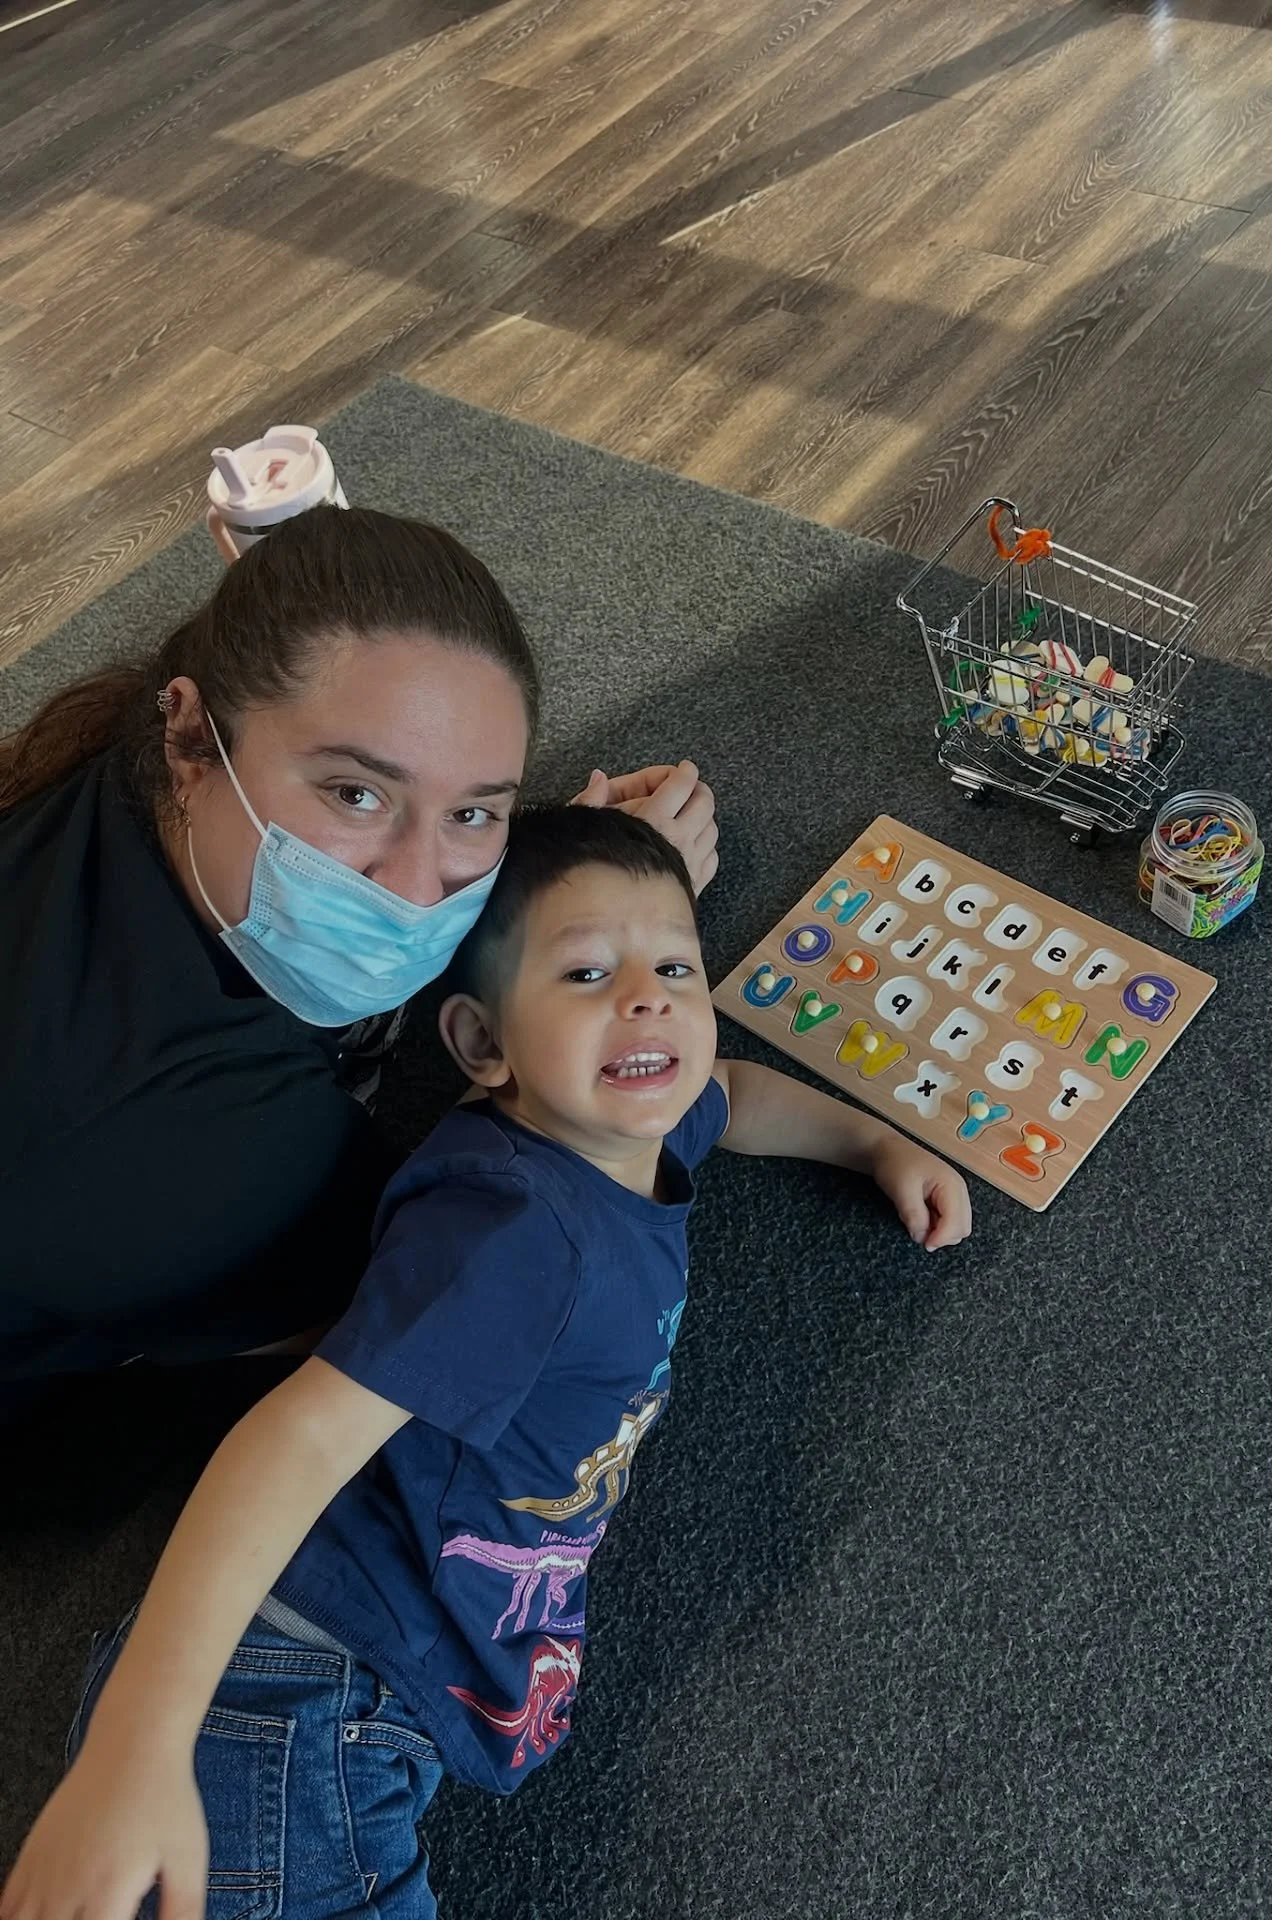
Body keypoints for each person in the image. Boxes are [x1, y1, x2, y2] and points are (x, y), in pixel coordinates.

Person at [0, 805, 972, 1920]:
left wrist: (876, 1141)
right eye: (586, 974)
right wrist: (145, 1738)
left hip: (330, 1675)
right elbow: (301, 1436)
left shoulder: (616, 1126)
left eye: (673, 966)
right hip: (295, 1694)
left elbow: (733, 1096)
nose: (647, 997)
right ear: (481, 1046)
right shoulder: (516, 1243)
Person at [0, 507, 717, 1393]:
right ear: (188, 739)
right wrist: (600, 934)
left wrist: (582, 901)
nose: (416, 892)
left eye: (473, 812)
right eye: (355, 793)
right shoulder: (190, 1149)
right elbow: (419, 1296)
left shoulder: (141, 781)